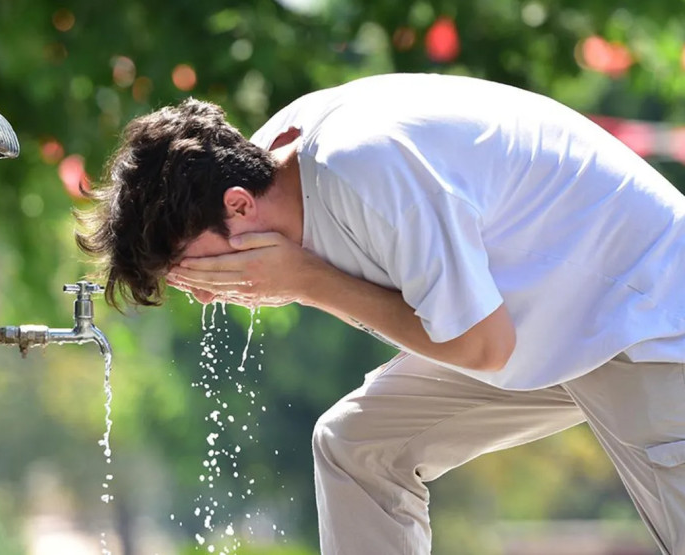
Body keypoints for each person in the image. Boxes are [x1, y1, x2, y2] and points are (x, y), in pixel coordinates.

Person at [75, 73, 685, 555]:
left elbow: (483, 347)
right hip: (532, 317)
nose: (205, 294)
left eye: (193, 268)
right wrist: (303, 277)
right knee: (358, 447)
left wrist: (308, 282)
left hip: (639, 309)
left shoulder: (363, 169)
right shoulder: (268, 175)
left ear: (237, 206)